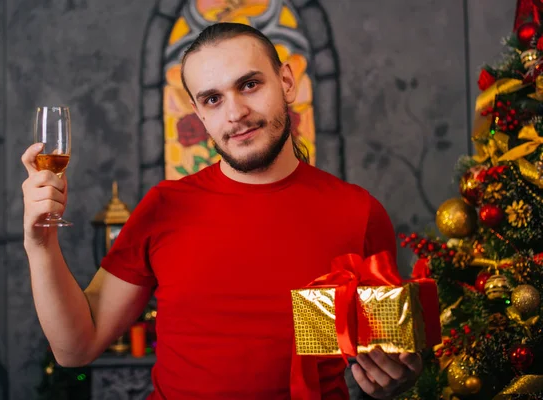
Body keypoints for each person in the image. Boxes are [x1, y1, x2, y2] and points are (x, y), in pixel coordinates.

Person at [21, 22, 422, 400]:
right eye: (213, 99)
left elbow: (391, 356)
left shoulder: (359, 211)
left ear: (286, 82)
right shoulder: (165, 206)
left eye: (249, 85)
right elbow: (76, 347)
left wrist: (393, 378)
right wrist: (40, 245)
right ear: (198, 113)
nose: (235, 113)